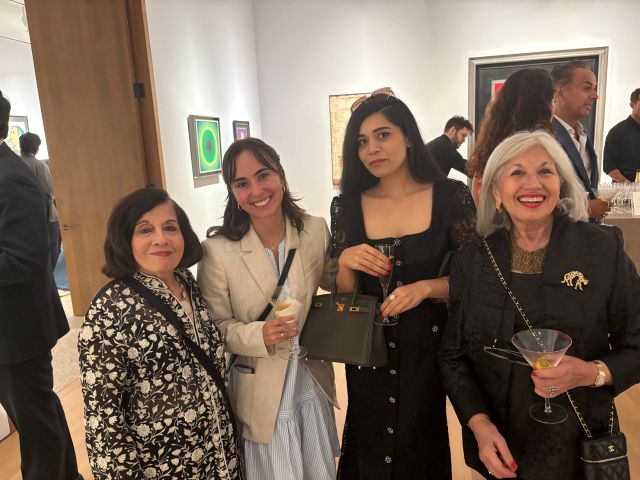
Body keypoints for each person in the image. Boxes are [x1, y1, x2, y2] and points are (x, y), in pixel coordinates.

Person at [440, 131, 640, 480]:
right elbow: (453, 357)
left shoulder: (602, 249)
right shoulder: (471, 262)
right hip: (501, 444)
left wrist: (591, 372)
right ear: (495, 190)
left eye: (545, 171)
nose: (532, 184)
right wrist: (479, 424)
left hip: (581, 441)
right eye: (517, 172)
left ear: (560, 183)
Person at [331, 89, 476, 479]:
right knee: (369, 444)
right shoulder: (347, 206)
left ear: (408, 136)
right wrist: (345, 263)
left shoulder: (451, 197)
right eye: (362, 141)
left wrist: (427, 287)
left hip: (427, 351)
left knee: (420, 444)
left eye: (383, 135)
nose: (372, 149)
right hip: (368, 352)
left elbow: (474, 279)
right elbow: (344, 296)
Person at [198, 138, 340, 480]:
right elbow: (215, 326)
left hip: (309, 380)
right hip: (260, 391)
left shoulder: (314, 230)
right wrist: (257, 334)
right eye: (242, 183)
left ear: (280, 175)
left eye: (263, 176)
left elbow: (335, 282)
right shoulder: (217, 251)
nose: (256, 191)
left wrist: (350, 258)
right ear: (232, 192)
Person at [78, 187, 241, 479]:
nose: (161, 239)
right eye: (145, 230)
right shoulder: (110, 309)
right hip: (162, 467)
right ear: (125, 239)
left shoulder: (187, 283)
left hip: (218, 458)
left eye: (170, 227)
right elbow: (103, 420)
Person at [0, 91, 82, 480]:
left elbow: (24, 259)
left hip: (18, 331)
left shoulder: (10, 179)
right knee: (38, 416)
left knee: (36, 424)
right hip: (13, 328)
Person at [467, 68, 555, 203]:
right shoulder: (542, 151)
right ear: (544, 106)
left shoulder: (490, 150)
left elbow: (480, 200)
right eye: (553, 100)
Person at [551, 61, 610, 220]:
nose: (595, 96)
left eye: (594, 88)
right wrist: (584, 209)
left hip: (585, 230)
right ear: (559, 92)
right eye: (586, 88)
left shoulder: (583, 133)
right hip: (558, 232)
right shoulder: (544, 135)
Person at [20, 132, 61, 269]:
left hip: (22, 214)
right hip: (44, 213)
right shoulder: (39, 166)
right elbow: (49, 189)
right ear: (36, 147)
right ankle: (52, 274)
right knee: (52, 246)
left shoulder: (14, 164)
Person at [603, 87, 640, 182]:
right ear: (632, 104)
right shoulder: (617, 132)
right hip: (624, 188)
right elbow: (609, 166)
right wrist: (627, 185)